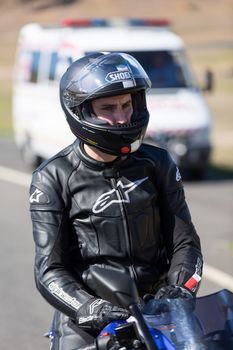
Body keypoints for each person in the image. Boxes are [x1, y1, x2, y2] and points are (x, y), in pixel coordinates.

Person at [29, 52, 203, 349]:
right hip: (89, 323)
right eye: (108, 108)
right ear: (80, 111)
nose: (122, 117)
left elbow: (185, 243)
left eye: (127, 104)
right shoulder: (53, 177)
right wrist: (90, 308)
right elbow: (49, 270)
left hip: (158, 314)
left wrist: (180, 290)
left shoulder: (158, 162)